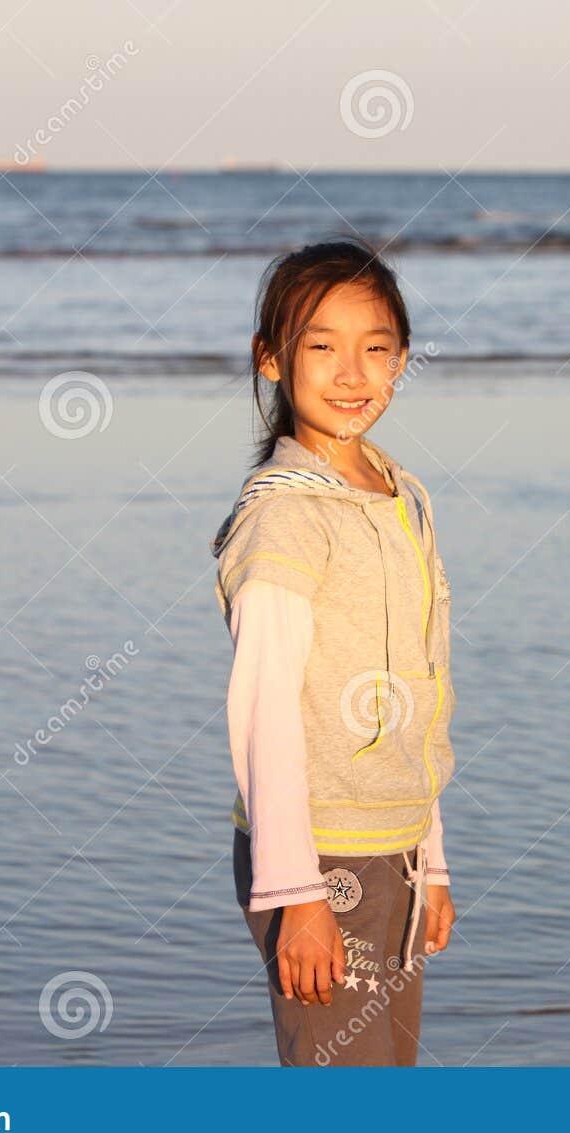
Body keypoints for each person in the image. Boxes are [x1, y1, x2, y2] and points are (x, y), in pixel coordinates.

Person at [210, 237, 457, 1066]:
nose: (352, 373)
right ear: (272, 359)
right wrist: (294, 893)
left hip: (395, 846)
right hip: (315, 857)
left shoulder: (401, 496)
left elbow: (418, 689)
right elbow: (264, 712)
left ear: (402, 360)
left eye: (376, 348)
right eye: (322, 346)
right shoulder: (284, 520)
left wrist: (432, 854)